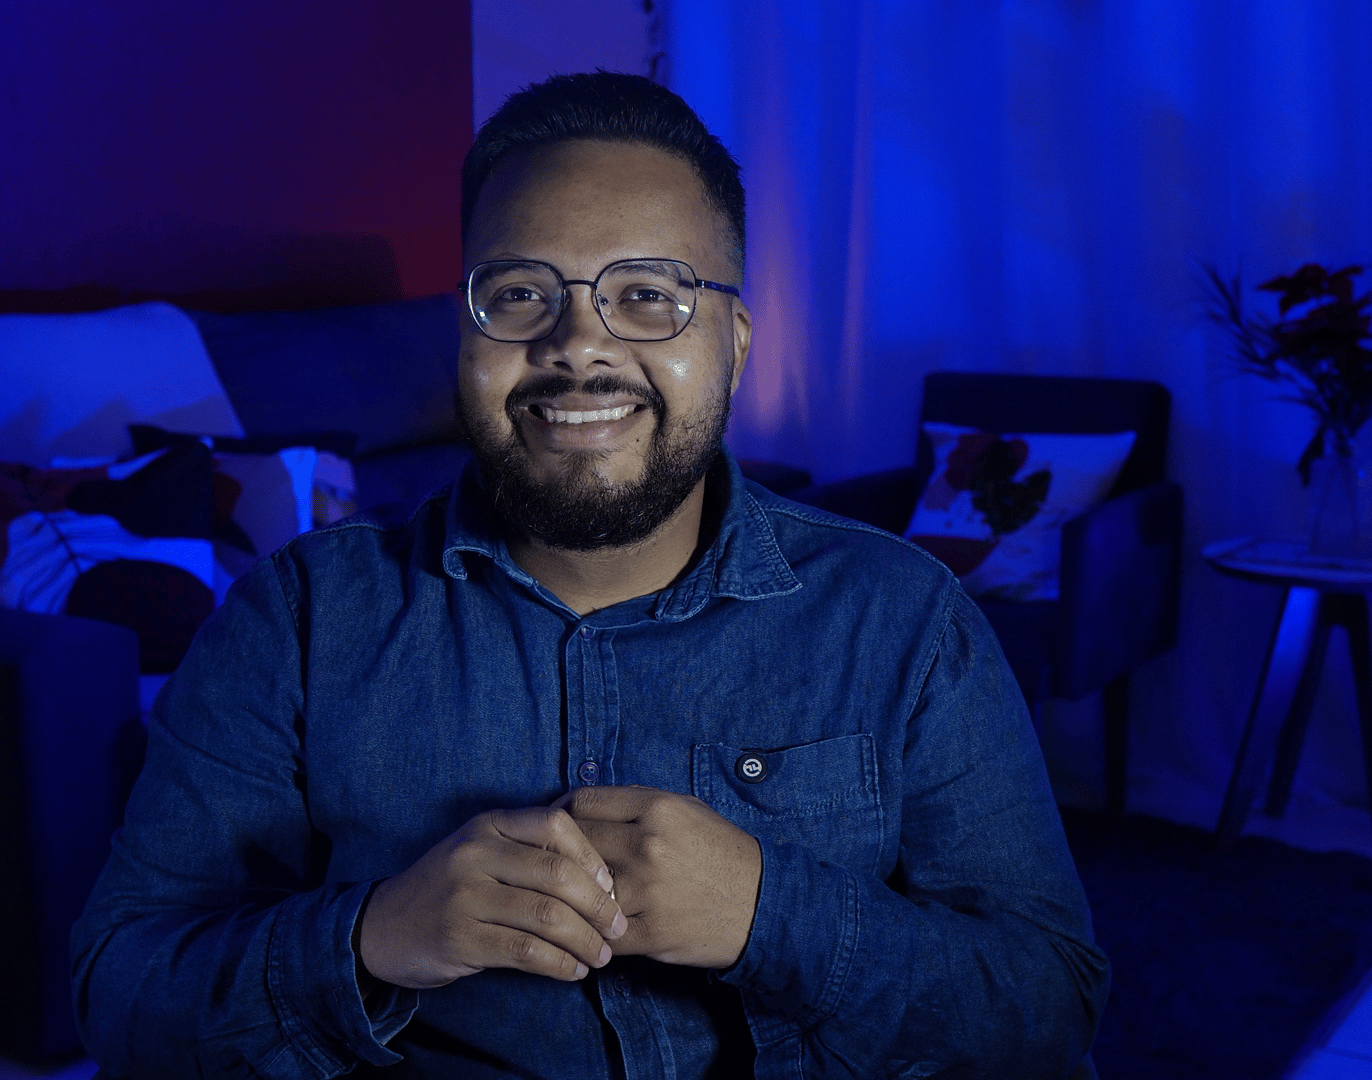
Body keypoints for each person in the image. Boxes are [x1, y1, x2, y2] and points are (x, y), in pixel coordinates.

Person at [72, 72, 1108, 1079]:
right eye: (520, 293)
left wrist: (771, 914)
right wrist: (369, 938)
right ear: (464, 335)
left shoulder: (904, 621)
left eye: (647, 296)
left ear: (735, 343)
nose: (577, 345)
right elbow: (120, 994)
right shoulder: (294, 621)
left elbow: (1047, 1010)